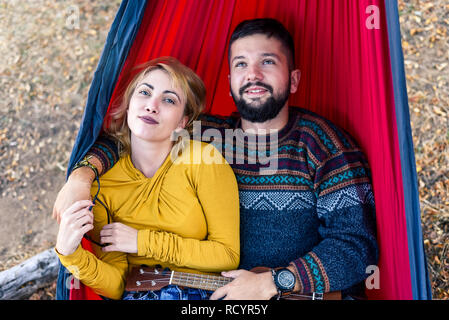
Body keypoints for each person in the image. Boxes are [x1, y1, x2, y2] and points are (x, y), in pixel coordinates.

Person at [54, 18, 378, 300]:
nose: (252, 74)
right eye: (240, 64)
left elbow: (356, 249)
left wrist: (275, 282)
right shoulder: (207, 134)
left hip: (296, 292)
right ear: (230, 82)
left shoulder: (323, 145)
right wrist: (81, 177)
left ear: (293, 79)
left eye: (267, 62)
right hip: (211, 293)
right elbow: (129, 137)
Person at [54, 57, 240, 300]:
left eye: (169, 100)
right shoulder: (104, 184)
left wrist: (143, 242)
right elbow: (119, 284)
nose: (152, 106)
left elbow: (227, 254)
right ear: (129, 106)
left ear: (182, 122)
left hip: (203, 294)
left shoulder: (203, 160)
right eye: (144, 92)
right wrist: (70, 255)